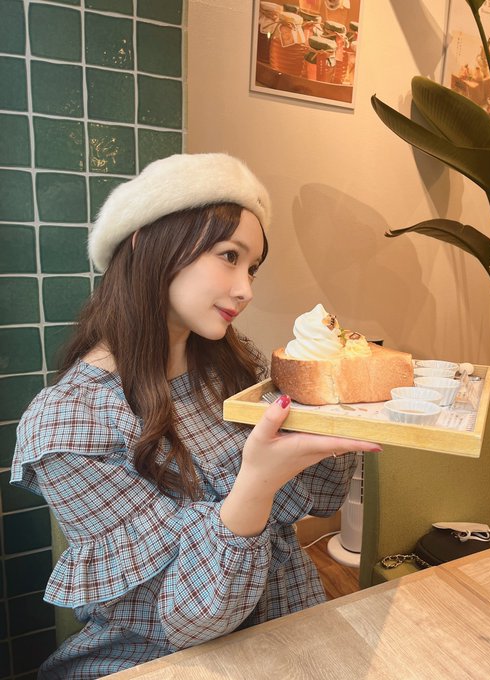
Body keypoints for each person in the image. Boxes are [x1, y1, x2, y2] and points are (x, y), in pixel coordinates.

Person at [11, 153, 381, 679]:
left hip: (289, 627)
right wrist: (256, 484)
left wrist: (333, 404)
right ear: (146, 244)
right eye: (229, 256)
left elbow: (316, 498)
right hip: (157, 660)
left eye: (252, 268)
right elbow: (190, 620)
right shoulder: (70, 423)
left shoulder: (232, 366)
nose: (246, 289)